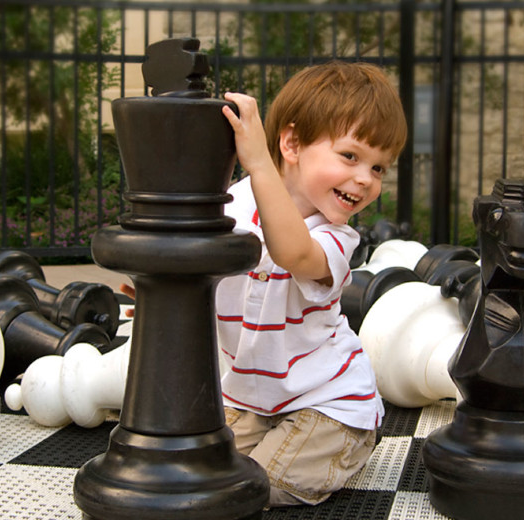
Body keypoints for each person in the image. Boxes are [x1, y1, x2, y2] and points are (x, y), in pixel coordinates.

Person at [123, 61, 407, 507]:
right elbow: (192, 258)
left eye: (379, 168)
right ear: (292, 142)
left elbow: (292, 252)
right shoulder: (232, 206)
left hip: (330, 400)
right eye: (351, 156)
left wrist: (259, 162)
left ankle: (349, 442)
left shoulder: (335, 237)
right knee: (195, 472)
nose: (365, 179)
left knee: (255, 487)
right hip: (251, 395)